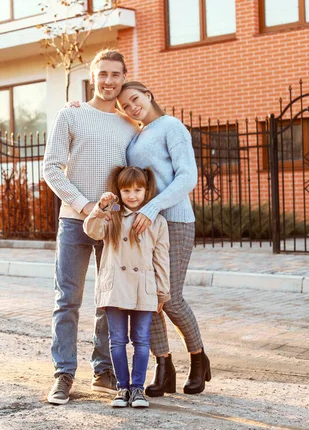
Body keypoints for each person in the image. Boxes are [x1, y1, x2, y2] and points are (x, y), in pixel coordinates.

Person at [43, 49, 138, 405]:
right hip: (74, 220)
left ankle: (103, 371)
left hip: (112, 225)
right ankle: (63, 373)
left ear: (123, 77)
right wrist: (84, 207)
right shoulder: (71, 115)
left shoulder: (129, 125)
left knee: (108, 300)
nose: (109, 81)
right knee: (67, 300)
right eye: (103, 74)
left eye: (116, 75)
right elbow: (51, 168)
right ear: (93, 76)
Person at [117, 81, 211, 396]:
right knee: (149, 299)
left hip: (175, 220)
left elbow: (187, 176)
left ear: (148, 94)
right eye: (125, 106)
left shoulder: (172, 127)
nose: (132, 108)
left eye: (134, 99)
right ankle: (164, 366)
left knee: (169, 298)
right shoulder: (136, 135)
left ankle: (198, 358)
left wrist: (154, 206)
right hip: (145, 225)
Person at [83, 166, 170, 408]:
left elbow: (162, 259)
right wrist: (100, 208)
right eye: (126, 190)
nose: (132, 195)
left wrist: (162, 291)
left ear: (146, 190)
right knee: (117, 340)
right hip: (115, 288)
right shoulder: (111, 215)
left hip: (143, 287)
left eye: (137, 190)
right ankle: (122, 388)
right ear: (119, 191)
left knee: (142, 340)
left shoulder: (157, 221)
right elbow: (91, 230)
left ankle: (138, 389)